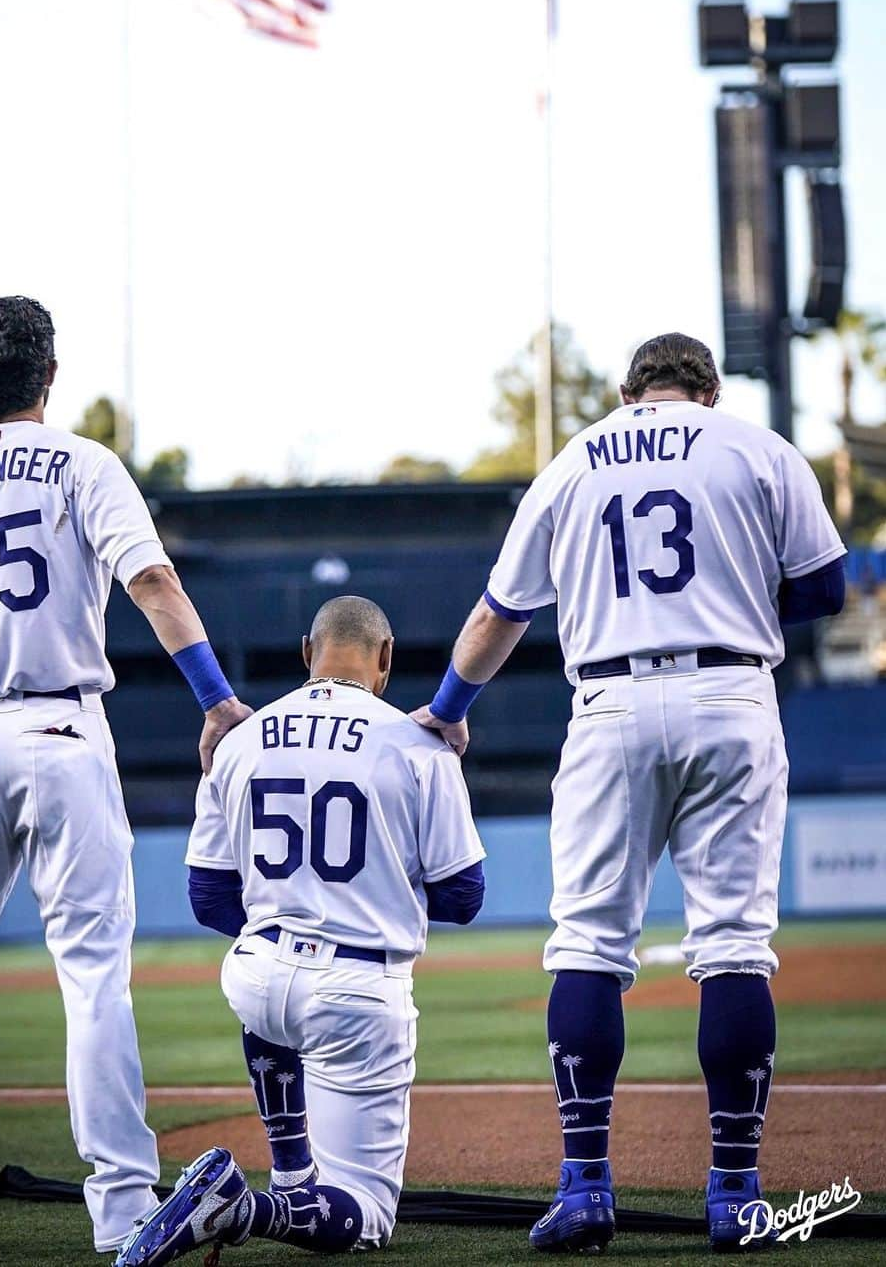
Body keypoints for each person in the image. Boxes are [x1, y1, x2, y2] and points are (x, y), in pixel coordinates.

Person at [411, 333, 846, 1254]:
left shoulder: (575, 461)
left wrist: (449, 711)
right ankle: (734, 1193)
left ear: (626, 392)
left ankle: (585, 1187)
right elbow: (826, 589)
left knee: (589, 942)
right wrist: (734, 598)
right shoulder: (759, 447)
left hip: (607, 701)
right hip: (732, 694)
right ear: (709, 392)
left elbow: (500, 614)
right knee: (734, 941)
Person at [0, 295, 251, 1256]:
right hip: (61, 729)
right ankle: (119, 1204)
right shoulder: (82, 463)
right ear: (51, 375)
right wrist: (217, 699)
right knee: (92, 978)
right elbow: (151, 581)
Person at [115, 595, 485, 1265]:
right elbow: (464, 896)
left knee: (269, 981)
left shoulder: (240, 738)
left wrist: (288, 918)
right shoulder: (417, 743)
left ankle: (290, 1172)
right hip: (356, 986)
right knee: (366, 1219)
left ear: (305, 652)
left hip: (257, 977)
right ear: (387, 657)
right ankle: (243, 1205)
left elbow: (207, 895)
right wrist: (373, 898)